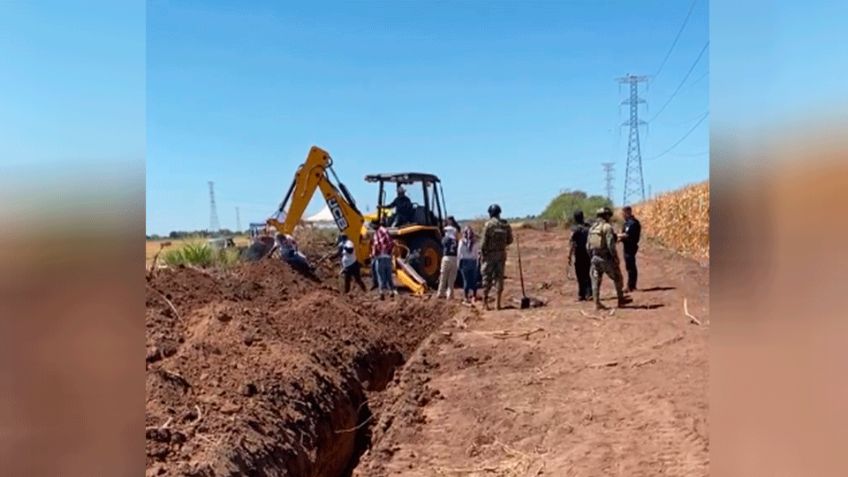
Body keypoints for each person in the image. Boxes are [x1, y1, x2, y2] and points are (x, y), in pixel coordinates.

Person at [587, 207, 631, 310]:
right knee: (618, 278)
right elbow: (610, 245)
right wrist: (615, 258)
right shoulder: (607, 227)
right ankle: (621, 300)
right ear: (606, 216)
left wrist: (592, 257)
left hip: (595, 258)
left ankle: (596, 303)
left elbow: (588, 246)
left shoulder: (592, 228)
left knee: (595, 281)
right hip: (605, 259)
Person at [479, 204, 513, 310]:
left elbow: (483, 243)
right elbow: (510, 240)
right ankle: (498, 304)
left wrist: (483, 252)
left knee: (486, 278)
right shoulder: (505, 225)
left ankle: (485, 303)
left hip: (489, 256)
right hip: (501, 255)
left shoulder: (488, 225)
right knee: (499, 278)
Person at [568, 210, 592, 301]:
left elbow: (572, 243)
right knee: (588, 273)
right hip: (588, 253)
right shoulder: (588, 228)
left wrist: (569, 255)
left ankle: (581, 294)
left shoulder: (575, 229)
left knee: (580, 274)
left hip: (579, 254)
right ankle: (589, 293)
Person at [618, 205, 642, 292]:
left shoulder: (632, 223)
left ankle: (631, 286)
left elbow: (626, 235)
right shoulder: (627, 222)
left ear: (628, 212)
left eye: (623, 213)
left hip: (631, 246)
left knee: (631, 266)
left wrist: (616, 236)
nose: (622, 215)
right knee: (629, 266)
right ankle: (630, 285)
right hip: (627, 246)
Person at [371, 223, 397, 299]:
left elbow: (376, 245)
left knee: (380, 276)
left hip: (380, 258)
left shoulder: (377, 233)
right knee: (389, 276)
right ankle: (391, 291)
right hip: (388, 258)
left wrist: (373, 255)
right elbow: (391, 244)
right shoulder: (386, 232)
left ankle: (381, 293)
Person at [458, 225, 480, 304]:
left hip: (464, 262)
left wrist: (458, 264)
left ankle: (466, 297)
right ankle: (474, 296)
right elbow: (477, 253)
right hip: (473, 261)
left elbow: (459, 253)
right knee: (474, 280)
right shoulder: (476, 242)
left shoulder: (461, 242)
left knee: (465, 280)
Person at [437, 225, 459, 299]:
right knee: (451, 278)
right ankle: (450, 295)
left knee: (443, 277)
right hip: (455, 258)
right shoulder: (456, 240)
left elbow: (442, 244)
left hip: (446, 258)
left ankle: (441, 293)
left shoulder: (445, 239)